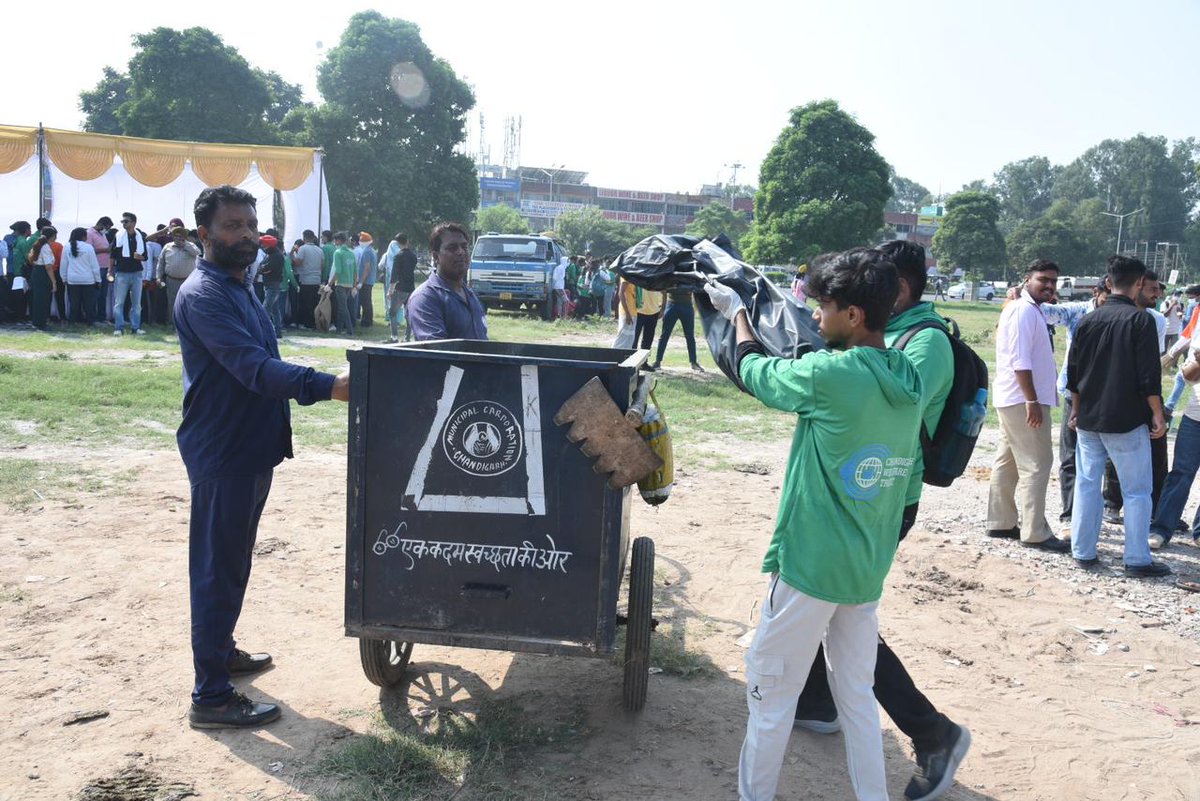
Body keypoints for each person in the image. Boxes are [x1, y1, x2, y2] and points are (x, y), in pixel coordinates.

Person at [705, 248, 923, 801]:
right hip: (864, 570)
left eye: (823, 306)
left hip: (809, 566)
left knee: (770, 694)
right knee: (856, 698)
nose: (815, 316)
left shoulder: (830, 375)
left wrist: (737, 318)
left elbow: (760, 374)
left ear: (853, 315)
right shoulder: (907, 375)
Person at [791, 240, 969, 801]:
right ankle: (819, 701)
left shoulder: (926, 344)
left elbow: (882, 408)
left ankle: (933, 732)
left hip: (885, 493)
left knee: (841, 606)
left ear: (898, 288)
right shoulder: (899, 335)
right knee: (828, 601)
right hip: (861, 488)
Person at [175, 184, 350, 729]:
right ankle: (211, 697)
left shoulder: (238, 284)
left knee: (232, 561)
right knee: (215, 569)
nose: (247, 235)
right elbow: (254, 368)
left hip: (249, 446)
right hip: (223, 448)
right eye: (232, 226)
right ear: (204, 234)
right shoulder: (204, 294)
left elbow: (264, 359)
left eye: (251, 224)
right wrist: (330, 386)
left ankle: (221, 652)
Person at [1067, 256, 1170, 578]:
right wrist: (1158, 414)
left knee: (1086, 484)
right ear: (1139, 283)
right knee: (1137, 490)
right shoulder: (1142, 322)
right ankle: (1137, 559)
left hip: (1089, 418)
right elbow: (1148, 376)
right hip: (1125, 418)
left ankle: (1083, 552)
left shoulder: (1087, 321)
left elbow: (1074, 373)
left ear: (1109, 282)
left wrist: (1075, 409)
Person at [986, 259, 1069, 551]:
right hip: (1023, 400)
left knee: (1007, 461)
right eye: (1043, 279)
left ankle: (1000, 522)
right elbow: (1020, 361)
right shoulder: (1023, 311)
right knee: (1038, 464)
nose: (1048, 286)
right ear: (1027, 280)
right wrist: (1032, 400)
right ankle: (1035, 532)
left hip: (1015, 399)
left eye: (1053, 281)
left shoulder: (1028, 309)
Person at [1041, 282, 1110, 539]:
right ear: (1096, 292)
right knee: (1070, 457)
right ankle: (1070, 516)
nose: (1110, 303)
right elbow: (1045, 311)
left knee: (1100, 459)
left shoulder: (1124, 313)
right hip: (1075, 393)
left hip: (1106, 396)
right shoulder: (1078, 312)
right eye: (1106, 298)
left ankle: (1093, 515)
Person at [1149, 341, 1200, 548]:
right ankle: (1160, 529)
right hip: (1195, 417)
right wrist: (1197, 362)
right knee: (1180, 473)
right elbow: (1188, 377)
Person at [407, 222, 487, 341]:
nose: (461, 252)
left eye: (464, 247)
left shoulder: (470, 295)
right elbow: (438, 353)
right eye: (452, 248)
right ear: (435, 256)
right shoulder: (425, 298)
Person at [111, 212, 148, 335]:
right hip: (122, 273)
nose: (124, 223)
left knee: (136, 303)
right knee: (119, 302)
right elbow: (113, 255)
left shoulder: (140, 237)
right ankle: (118, 328)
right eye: (122, 221)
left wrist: (140, 257)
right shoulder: (118, 236)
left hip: (137, 273)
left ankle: (135, 328)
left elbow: (145, 257)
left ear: (133, 223)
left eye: (126, 221)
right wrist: (109, 270)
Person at [157, 224, 201, 327]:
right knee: (172, 303)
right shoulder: (167, 247)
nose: (178, 237)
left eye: (181, 235)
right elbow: (161, 263)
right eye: (176, 235)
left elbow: (197, 253)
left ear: (184, 236)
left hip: (188, 281)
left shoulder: (190, 245)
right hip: (171, 280)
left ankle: (187, 325)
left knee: (188, 303)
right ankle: (173, 324)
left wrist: (185, 245)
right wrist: (159, 277)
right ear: (173, 236)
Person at [651, 288, 705, 372]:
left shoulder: (688, 275)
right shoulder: (671, 275)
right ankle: (657, 361)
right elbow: (664, 289)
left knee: (690, 336)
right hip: (672, 304)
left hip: (686, 305)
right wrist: (663, 307)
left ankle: (694, 362)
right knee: (664, 335)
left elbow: (694, 288)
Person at [61, 227, 100, 325]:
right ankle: (90, 321)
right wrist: (98, 280)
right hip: (88, 280)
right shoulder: (89, 248)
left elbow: (64, 264)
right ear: (83, 236)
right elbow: (94, 266)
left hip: (72, 279)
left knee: (74, 302)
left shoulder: (67, 247)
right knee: (89, 303)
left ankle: (73, 321)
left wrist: (64, 278)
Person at [27, 226, 59, 330]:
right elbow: (48, 266)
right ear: (52, 236)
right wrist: (54, 282)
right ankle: (40, 323)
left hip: (36, 271)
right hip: (42, 272)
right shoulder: (46, 247)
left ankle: (38, 322)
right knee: (43, 299)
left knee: (38, 298)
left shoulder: (39, 244)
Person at [327, 232, 358, 336]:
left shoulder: (338, 252)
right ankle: (339, 330)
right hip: (349, 284)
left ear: (339, 241)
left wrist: (329, 284)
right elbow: (355, 271)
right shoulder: (351, 253)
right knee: (342, 307)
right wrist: (354, 285)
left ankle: (350, 330)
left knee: (343, 308)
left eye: (335, 240)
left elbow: (338, 271)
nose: (335, 242)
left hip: (340, 283)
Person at [387, 234, 417, 343]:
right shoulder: (413, 256)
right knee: (408, 313)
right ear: (407, 241)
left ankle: (394, 336)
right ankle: (407, 337)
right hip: (411, 288)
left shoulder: (398, 256)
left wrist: (390, 290)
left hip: (400, 288)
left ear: (398, 243)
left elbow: (394, 275)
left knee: (392, 313)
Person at [292, 231, 324, 329]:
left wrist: (293, 254)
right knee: (314, 303)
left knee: (305, 303)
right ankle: (314, 323)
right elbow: (322, 266)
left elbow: (298, 263)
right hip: (317, 279)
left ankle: (306, 324)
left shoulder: (302, 248)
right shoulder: (320, 250)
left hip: (305, 279)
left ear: (304, 238)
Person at [258, 235, 285, 337]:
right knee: (274, 309)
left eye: (264, 245)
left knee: (266, 308)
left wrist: (262, 269)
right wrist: (262, 269)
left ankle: (262, 331)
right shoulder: (271, 254)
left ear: (269, 245)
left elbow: (265, 269)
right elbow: (262, 266)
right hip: (271, 284)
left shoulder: (276, 256)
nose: (263, 247)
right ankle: (278, 331)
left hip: (273, 285)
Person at [88, 217, 114, 324]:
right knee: (95, 294)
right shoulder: (90, 233)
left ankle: (102, 318)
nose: (106, 230)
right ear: (100, 224)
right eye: (106, 227)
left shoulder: (102, 234)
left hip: (105, 267)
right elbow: (89, 250)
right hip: (96, 268)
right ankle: (93, 318)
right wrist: (106, 250)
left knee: (103, 294)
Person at [633, 285, 665, 351]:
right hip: (638, 311)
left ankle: (644, 360)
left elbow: (664, 293)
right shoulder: (640, 276)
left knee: (648, 340)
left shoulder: (658, 279)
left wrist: (662, 309)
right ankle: (631, 358)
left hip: (654, 312)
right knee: (634, 338)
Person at [356, 232, 378, 328]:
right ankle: (367, 320)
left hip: (365, 281)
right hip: (370, 280)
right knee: (367, 301)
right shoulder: (372, 250)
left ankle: (366, 321)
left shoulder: (366, 251)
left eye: (361, 240)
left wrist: (361, 282)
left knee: (365, 302)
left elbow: (367, 268)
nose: (359, 242)